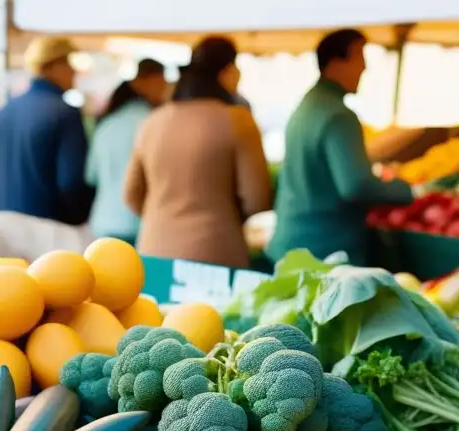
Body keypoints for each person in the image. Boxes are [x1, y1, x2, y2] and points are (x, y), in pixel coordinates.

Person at [268, 29, 414, 264]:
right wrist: (407, 190)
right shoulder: (338, 116)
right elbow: (356, 186)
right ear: (336, 62)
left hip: (293, 245)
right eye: (359, 57)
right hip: (325, 252)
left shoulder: (306, 107)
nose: (364, 67)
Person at [125, 36, 271, 266]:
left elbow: (131, 194)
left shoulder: (152, 121)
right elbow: (257, 199)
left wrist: (165, 220)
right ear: (229, 71)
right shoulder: (238, 120)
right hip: (215, 252)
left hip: (154, 249)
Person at [0, 36, 92, 225]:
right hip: (49, 230)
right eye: (68, 63)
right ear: (51, 67)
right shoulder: (65, 113)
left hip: (5, 226)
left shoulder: (1, 112)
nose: (74, 71)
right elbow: (70, 183)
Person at [85, 59, 168, 242]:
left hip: (103, 223)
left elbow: (91, 176)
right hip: (140, 225)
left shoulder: (106, 124)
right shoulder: (154, 123)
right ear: (146, 83)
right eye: (162, 83)